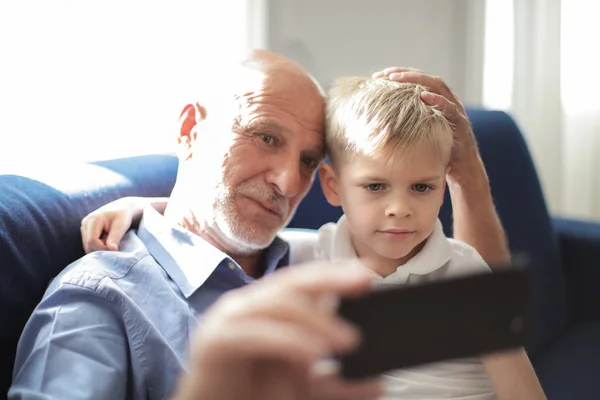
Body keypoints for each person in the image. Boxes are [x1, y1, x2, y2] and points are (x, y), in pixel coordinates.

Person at [8, 49, 521, 399]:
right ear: (191, 130)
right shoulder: (100, 296)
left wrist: (467, 173)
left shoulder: (319, 259)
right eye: (266, 137)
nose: (285, 181)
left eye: (306, 160)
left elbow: (479, 303)